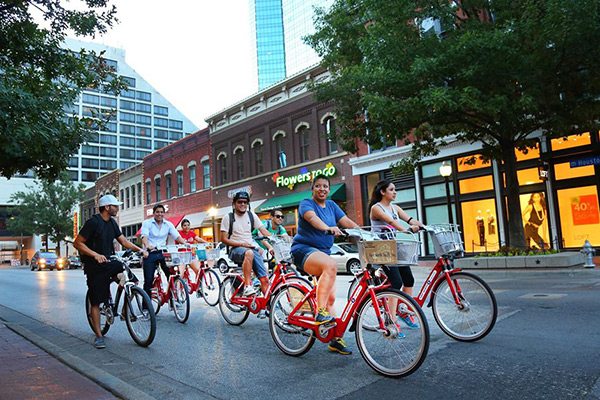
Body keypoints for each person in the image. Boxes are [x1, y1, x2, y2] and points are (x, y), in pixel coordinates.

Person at [291, 174, 360, 355]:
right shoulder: (306, 203)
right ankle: (320, 312)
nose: (322, 189)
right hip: (303, 250)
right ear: (312, 188)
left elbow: (346, 222)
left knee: (331, 298)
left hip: (323, 253)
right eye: (318, 186)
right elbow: (313, 219)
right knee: (330, 265)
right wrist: (327, 228)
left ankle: (335, 339)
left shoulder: (331, 205)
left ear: (329, 190)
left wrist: (362, 232)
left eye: (325, 186)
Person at [74, 194, 147, 349]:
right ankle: (99, 336)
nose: (117, 208)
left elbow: (124, 241)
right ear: (107, 207)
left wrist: (140, 250)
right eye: (115, 206)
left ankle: (124, 311)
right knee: (95, 301)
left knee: (132, 280)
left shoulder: (112, 223)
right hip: (94, 266)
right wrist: (95, 255)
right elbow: (78, 243)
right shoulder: (93, 222)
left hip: (110, 261)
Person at [368, 179, 424, 329]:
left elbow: (410, 219)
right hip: (380, 249)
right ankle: (390, 321)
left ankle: (403, 310)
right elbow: (390, 222)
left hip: (393, 247)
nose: (395, 192)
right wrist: (405, 230)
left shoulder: (395, 207)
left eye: (395, 189)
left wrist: (424, 226)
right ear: (383, 192)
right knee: (396, 282)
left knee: (409, 279)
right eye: (392, 189)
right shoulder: (376, 208)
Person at [220, 191, 275, 298]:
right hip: (235, 250)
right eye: (240, 202)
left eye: (245, 202)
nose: (243, 204)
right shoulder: (228, 217)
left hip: (251, 249)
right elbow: (223, 239)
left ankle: (269, 308)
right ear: (234, 204)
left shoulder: (251, 215)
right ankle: (247, 286)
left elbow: (264, 231)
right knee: (249, 252)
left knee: (264, 279)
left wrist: (276, 240)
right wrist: (242, 244)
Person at [140, 204, 187, 299]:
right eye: (157, 212)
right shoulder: (147, 223)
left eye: (161, 212)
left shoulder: (168, 224)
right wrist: (147, 245)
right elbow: (144, 236)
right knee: (148, 280)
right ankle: (146, 307)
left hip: (163, 253)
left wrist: (185, 243)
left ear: (164, 213)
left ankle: (173, 299)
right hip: (150, 253)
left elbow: (177, 236)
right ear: (154, 213)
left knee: (171, 275)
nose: (159, 214)